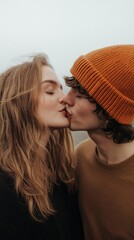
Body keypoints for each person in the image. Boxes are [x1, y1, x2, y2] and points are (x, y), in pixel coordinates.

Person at [0, 54, 83, 240]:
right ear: (20, 103)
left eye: (61, 90)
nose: (65, 99)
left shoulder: (62, 177)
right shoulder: (4, 187)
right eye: (50, 91)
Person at [63, 45, 134, 240]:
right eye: (70, 90)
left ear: (109, 109)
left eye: (79, 95)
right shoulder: (79, 158)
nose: (66, 100)